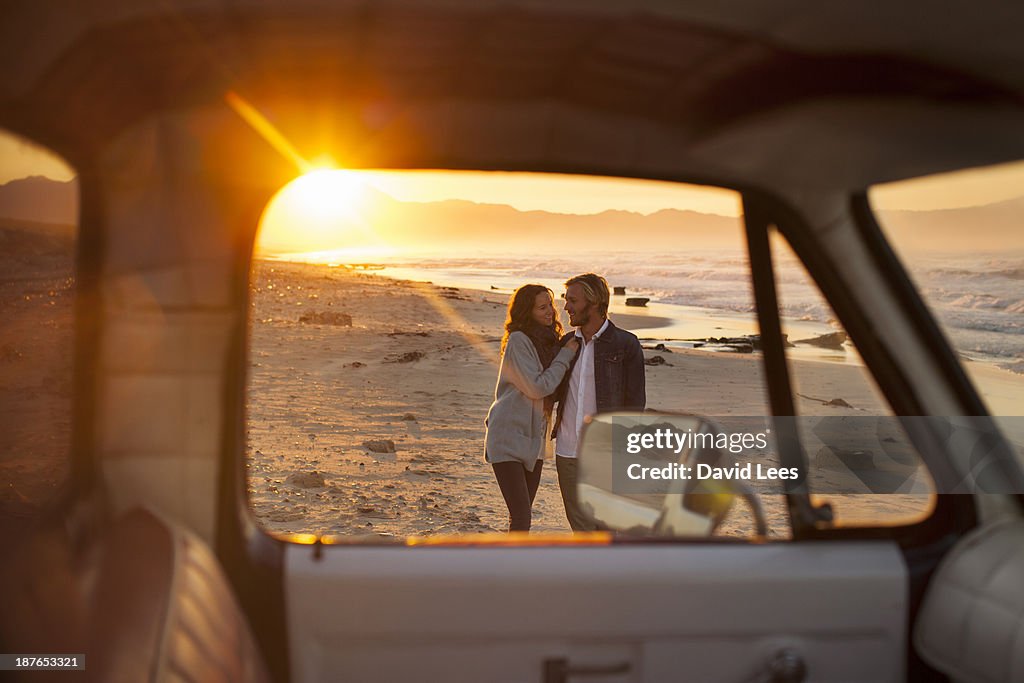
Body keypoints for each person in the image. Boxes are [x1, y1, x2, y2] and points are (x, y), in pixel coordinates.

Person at [553, 273, 646, 531]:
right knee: (580, 527)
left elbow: (635, 403)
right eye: (566, 299)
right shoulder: (567, 344)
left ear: (593, 303)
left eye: (572, 300)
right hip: (568, 449)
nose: (566, 307)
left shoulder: (626, 344)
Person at [485, 284, 580, 532]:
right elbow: (538, 387)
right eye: (542, 307)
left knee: (522, 515)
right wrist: (565, 355)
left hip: (535, 439)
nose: (550, 311)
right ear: (528, 311)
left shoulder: (550, 343)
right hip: (508, 435)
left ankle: (513, 565)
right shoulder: (519, 341)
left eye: (550, 304)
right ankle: (512, 568)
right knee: (521, 514)